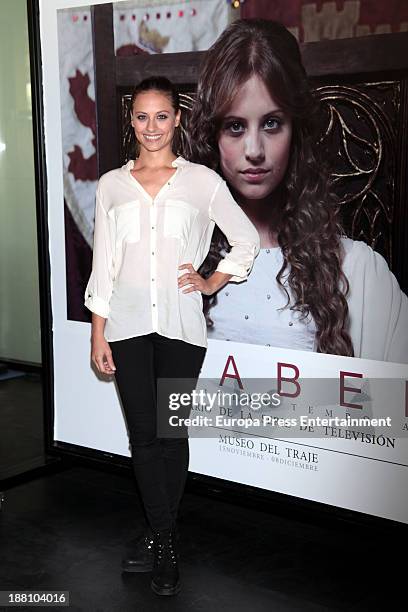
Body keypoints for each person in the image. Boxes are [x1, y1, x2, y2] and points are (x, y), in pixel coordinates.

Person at [84, 76, 260, 596]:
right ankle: (165, 539)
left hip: (183, 330)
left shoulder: (202, 182)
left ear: (177, 119)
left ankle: (162, 539)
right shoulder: (112, 186)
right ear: (132, 122)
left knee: (171, 434)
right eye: (141, 117)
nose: (151, 127)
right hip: (128, 328)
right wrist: (99, 335)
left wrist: (210, 281)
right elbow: (104, 266)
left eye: (161, 116)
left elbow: (246, 239)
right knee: (142, 437)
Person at [187, 19, 408, 364]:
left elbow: (392, 412)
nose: (254, 149)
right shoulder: (178, 263)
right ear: (212, 136)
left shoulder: (360, 274)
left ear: (296, 130)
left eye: (271, 123)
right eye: (235, 126)